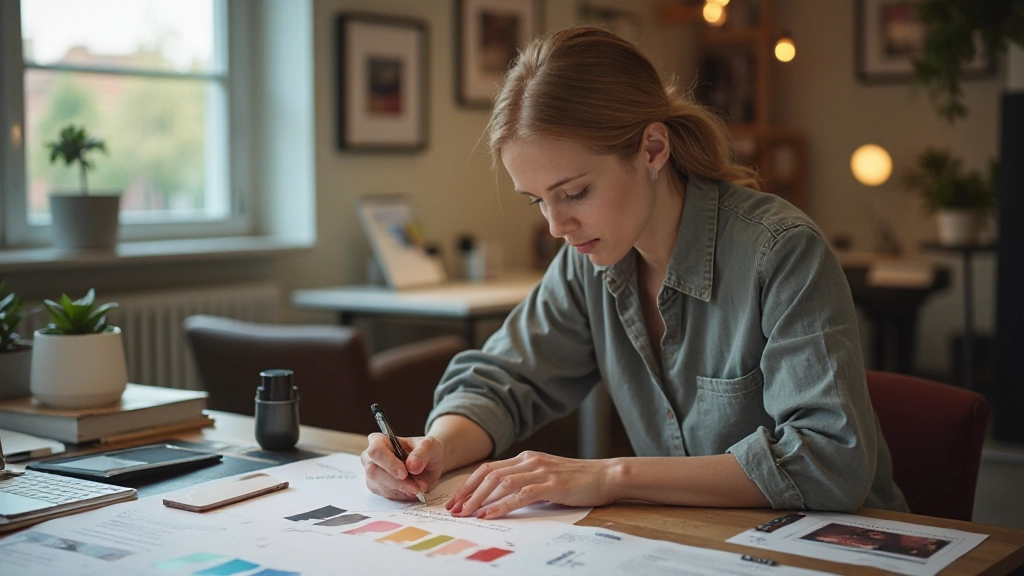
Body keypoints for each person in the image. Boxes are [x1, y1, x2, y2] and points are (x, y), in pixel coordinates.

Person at [360, 26, 909, 520]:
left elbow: (829, 460)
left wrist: (608, 475)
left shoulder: (782, 253)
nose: (557, 226)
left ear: (652, 148)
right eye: (537, 202)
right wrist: (435, 448)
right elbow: (504, 381)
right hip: (698, 547)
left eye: (574, 192)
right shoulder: (588, 265)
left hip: (838, 550)